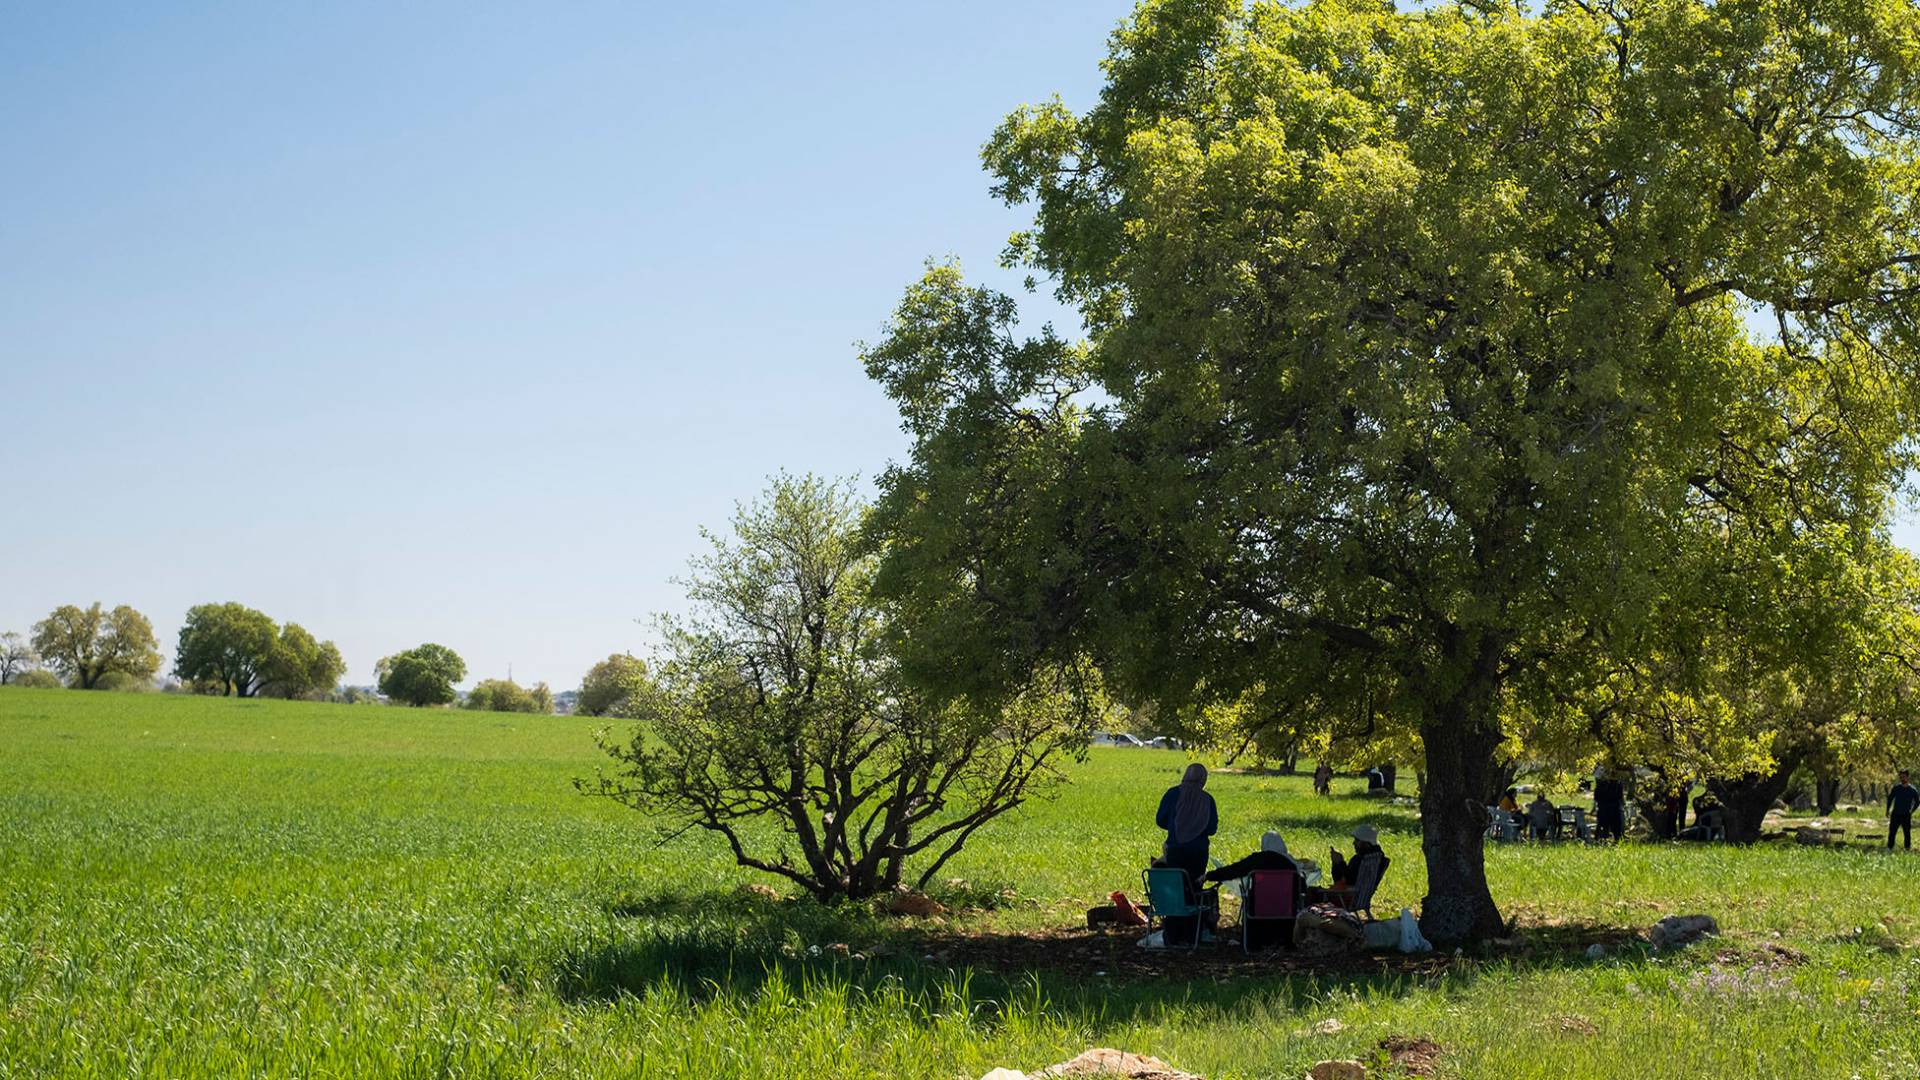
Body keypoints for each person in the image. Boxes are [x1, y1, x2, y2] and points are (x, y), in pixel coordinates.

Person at [1155, 763, 1218, 887]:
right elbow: (1212, 829)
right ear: (1203, 779)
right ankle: (1194, 906)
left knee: (1177, 887)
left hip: (1175, 850)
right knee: (1194, 889)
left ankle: (1176, 906)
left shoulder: (1172, 794)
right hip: (1199, 853)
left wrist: (1176, 826)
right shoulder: (1208, 799)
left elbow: (1160, 820)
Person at [1888, 770, 1919, 851]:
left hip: (1906, 815)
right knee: (1892, 832)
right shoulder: (1896, 788)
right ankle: (1889, 847)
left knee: (1907, 833)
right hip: (1896, 814)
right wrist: (1887, 810)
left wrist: (1912, 811)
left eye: (1904, 777)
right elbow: (1890, 799)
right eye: (1901, 777)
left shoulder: (1912, 790)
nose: (1902, 779)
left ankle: (1907, 848)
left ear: (1908, 777)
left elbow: (1917, 801)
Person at [1594, 769, 1626, 841]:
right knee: (1616, 828)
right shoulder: (1618, 785)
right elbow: (1620, 798)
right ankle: (1615, 839)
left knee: (1602, 825)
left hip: (1604, 809)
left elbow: (1596, 797)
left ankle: (1601, 839)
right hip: (1614, 809)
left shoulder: (1600, 785)